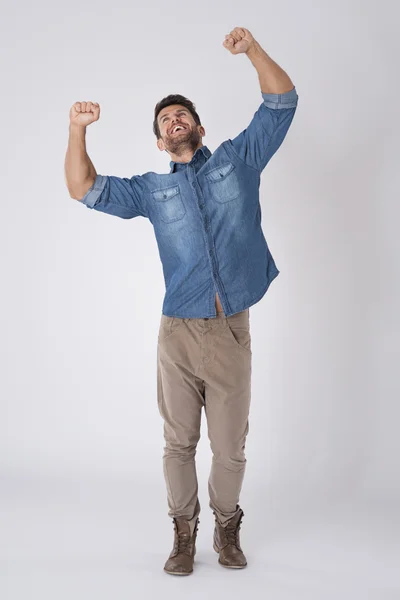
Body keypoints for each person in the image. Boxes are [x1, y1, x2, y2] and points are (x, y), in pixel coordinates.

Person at [64, 27, 298, 575]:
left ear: (198, 127)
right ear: (159, 140)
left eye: (181, 114)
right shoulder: (152, 189)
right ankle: (183, 533)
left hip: (230, 327)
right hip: (177, 333)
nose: (174, 120)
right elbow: (82, 188)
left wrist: (253, 52)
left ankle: (227, 525)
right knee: (178, 445)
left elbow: (282, 101)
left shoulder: (238, 160)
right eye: (165, 119)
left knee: (231, 448)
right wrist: (77, 129)